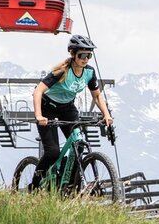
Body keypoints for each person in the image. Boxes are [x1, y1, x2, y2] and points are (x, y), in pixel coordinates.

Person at [30, 34, 114, 188]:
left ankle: (69, 185)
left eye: (89, 55)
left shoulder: (89, 72)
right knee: (52, 152)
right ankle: (34, 185)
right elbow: (38, 91)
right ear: (73, 54)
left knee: (78, 145)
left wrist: (106, 114)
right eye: (82, 55)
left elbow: (97, 96)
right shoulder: (62, 71)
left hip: (67, 108)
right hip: (47, 107)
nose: (86, 59)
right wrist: (39, 116)